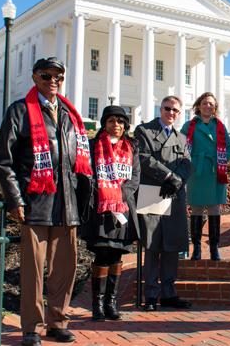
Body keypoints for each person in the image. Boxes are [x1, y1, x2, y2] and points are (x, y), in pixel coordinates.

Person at [0, 57, 92, 346]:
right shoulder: (20, 111)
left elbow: (77, 160)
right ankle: (31, 329)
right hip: (35, 203)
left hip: (67, 203)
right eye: (46, 75)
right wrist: (15, 200)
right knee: (34, 272)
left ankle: (57, 323)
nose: (53, 81)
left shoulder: (69, 114)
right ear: (35, 77)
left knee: (64, 270)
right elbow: (3, 160)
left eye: (58, 76)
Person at [79, 106, 140, 321]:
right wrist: (106, 192)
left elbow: (135, 177)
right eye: (112, 121)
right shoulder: (93, 145)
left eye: (121, 122)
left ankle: (111, 303)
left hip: (122, 207)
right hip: (101, 207)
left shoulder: (132, 147)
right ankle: (96, 304)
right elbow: (88, 173)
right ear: (104, 123)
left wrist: (119, 195)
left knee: (116, 255)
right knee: (102, 254)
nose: (117, 126)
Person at [135, 95, 192, 311]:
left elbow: (186, 162)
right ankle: (150, 295)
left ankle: (169, 293)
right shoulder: (144, 130)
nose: (171, 113)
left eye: (176, 111)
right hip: (153, 192)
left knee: (171, 246)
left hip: (174, 195)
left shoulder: (181, 137)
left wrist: (176, 181)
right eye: (168, 109)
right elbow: (144, 157)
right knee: (152, 245)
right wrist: (168, 177)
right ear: (161, 109)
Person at [181, 92, 230, 261]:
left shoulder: (220, 125)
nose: (208, 106)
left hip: (214, 172)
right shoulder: (189, 125)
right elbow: (181, 147)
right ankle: (196, 248)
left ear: (215, 107)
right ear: (199, 105)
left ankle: (214, 248)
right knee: (196, 209)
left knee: (214, 209)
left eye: (211, 104)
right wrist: (193, 162)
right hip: (197, 171)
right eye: (205, 103)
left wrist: (220, 162)